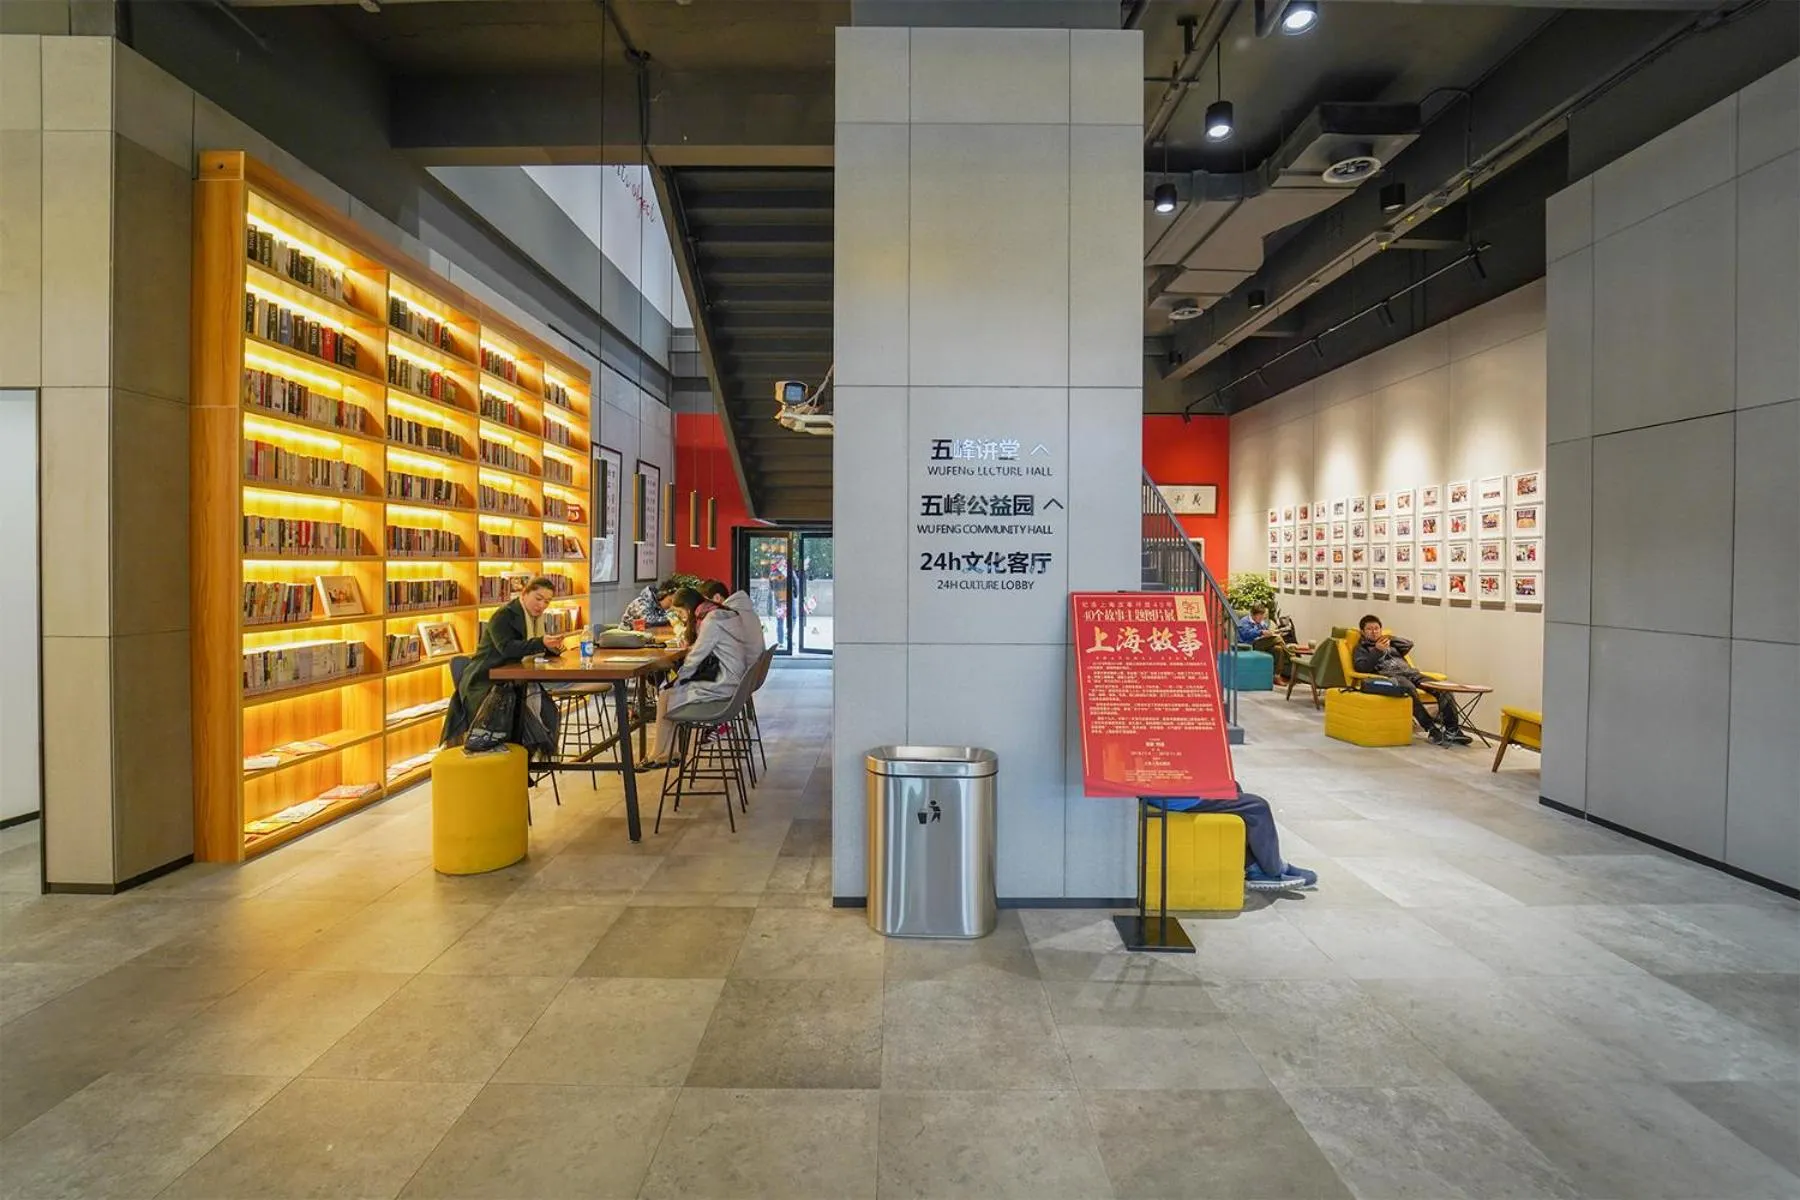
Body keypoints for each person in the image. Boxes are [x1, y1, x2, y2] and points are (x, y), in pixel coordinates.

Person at [441, 576, 567, 744]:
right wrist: (540, 643)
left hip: (513, 680)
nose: (542, 605)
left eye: (547, 602)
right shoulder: (504, 615)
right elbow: (507, 648)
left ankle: (525, 761)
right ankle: (521, 760)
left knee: (548, 711)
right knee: (525, 716)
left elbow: (530, 648)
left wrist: (550, 648)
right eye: (538, 599)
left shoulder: (536, 620)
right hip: (486, 680)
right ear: (524, 594)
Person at [640, 586, 754, 769]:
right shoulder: (720, 613)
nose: (682, 617)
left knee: (666, 694)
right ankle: (666, 753)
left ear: (688, 607)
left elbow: (696, 656)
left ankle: (660, 753)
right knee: (667, 694)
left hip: (724, 682)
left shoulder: (711, 620)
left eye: (680, 612)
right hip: (733, 678)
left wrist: (679, 678)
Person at [1161, 787, 1318, 890]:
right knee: (1257, 806)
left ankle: (1255, 865)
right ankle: (1272, 870)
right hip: (1175, 795)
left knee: (1233, 786)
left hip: (1175, 788)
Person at [1351, 613, 1469, 746]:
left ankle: (1452, 730)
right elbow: (1362, 668)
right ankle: (1431, 729)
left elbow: (1408, 644)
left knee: (1443, 689)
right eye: (1369, 629)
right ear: (1362, 631)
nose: (1374, 632)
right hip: (1391, 677)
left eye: (1376, 628)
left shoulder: (1390, 643)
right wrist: (1377, 651)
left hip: (1411, 673)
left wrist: (1389, 638)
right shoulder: (1360, 649)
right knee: (1409, 689)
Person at [700, 578, 768, 660]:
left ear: (717, 598)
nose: (703, 608)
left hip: (742, 668)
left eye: (706, 603)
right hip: (755, 667)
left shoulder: (727, 616)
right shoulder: (747, 611)